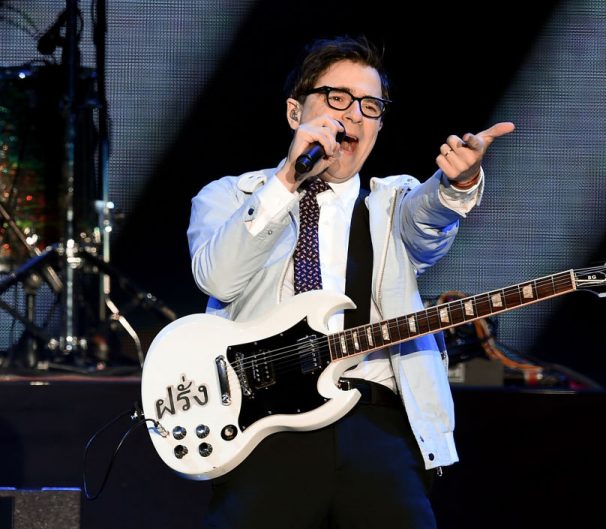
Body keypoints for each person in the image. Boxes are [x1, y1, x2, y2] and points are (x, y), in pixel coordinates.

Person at [187, 34, 515, 529]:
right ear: (295, 112)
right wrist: (287, 182)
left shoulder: (393, 202)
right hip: (267, 425)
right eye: (337, 98)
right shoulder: (230, 197)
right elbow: (218, 279)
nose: (354, 115)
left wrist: (458, 183)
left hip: (374, 420)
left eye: (370, 106)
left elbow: (428, 218)